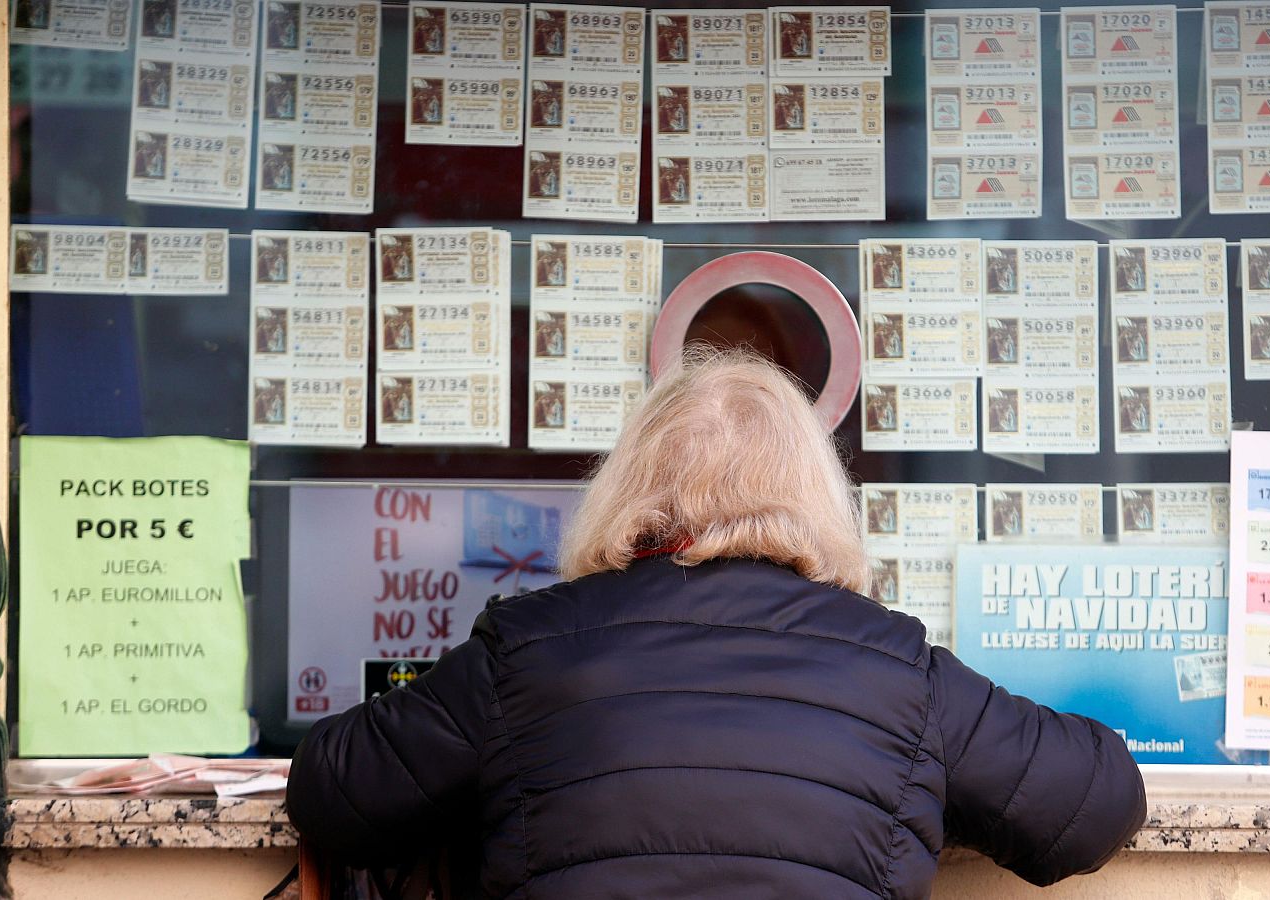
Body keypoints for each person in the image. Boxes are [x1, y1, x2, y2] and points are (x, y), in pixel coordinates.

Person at [288, 348, 1145, 898]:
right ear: (815, 493)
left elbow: (332, 791)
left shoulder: (527, 652)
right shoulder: (900, 670)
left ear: (628, 486)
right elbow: (1097, 804)